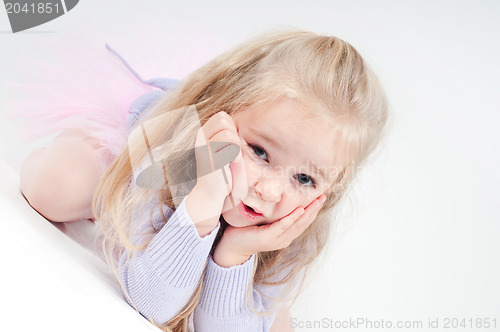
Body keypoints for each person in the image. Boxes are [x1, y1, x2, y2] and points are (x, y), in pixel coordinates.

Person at [16, 28, 390, 331]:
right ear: (220, 114)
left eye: (305, 178)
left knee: (276, 325)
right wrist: (203, 201)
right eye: (259, 151)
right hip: (141, 157)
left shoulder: (295, 225)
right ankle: (78, 147)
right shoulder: (171, 158)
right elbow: (152, 305)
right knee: (59, 187)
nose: (270, 190)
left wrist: (235, 254)